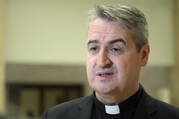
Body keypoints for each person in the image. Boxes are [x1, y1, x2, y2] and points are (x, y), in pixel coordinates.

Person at [41, 4, 179, 119]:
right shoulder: (55, 117)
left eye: (115, 49)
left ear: (143, 55)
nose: (102, 62)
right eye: (94, 48)